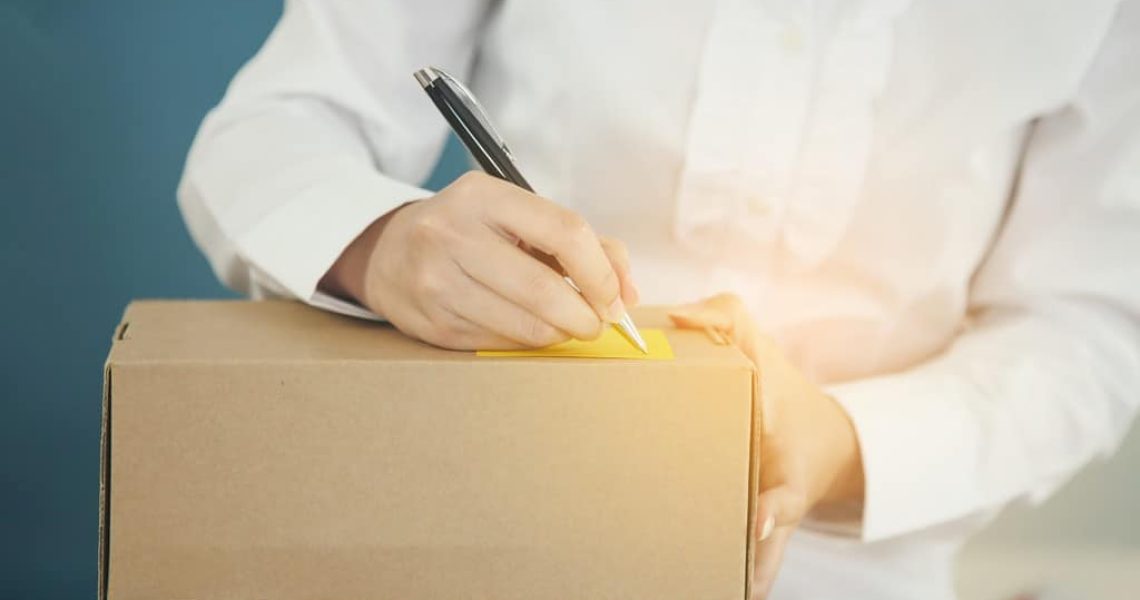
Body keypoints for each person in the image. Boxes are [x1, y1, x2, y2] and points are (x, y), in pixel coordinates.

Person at [178, 1, 1140, 598]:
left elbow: (1088, 327)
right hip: (483, 524)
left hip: (847, 570)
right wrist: (383, 244)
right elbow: (268, 130)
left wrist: (841, 441)